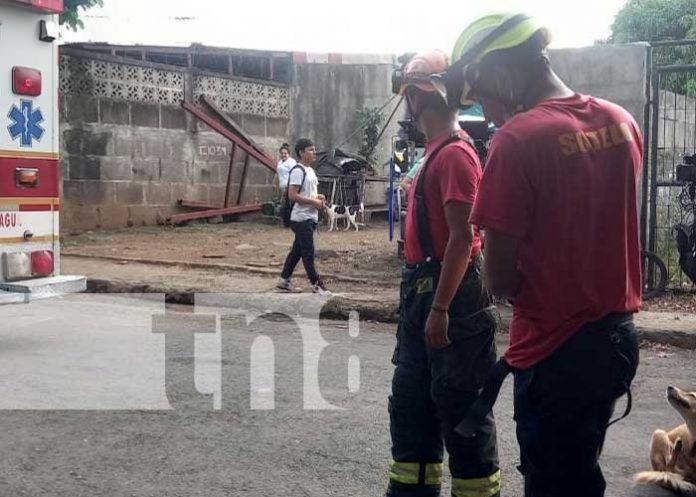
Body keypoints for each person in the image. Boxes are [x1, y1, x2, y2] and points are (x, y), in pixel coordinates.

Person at [448, 13, 642, 497]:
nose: (488, 114)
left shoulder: (518, 139)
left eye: (483, 96)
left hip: (555, 354)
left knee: (555, 481)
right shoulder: (621, 122)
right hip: (615, 343)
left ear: (497, 71)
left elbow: (499, 280)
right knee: (580, 469)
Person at [385, 50, 500, 497]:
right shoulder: (435, 154)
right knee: (412, 408)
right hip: (421, 294)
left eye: (409, 96)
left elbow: (462, 237)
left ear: (417, 96)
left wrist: (441, 307)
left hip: (448, 299)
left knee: (460, 411)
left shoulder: (454, 155)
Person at [276, 138, 330, 295]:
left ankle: (284, 279)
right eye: (310, 150)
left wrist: (318, 197)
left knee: (297, 251)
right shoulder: (298, 171)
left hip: (310, 217)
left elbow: (307, 192)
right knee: (308, 252)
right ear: (301, 153)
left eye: (314, 149)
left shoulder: (310, 171)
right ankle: (316, 284)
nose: (314, 152)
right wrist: (313, 202)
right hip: (301, 218)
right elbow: (293, 195)